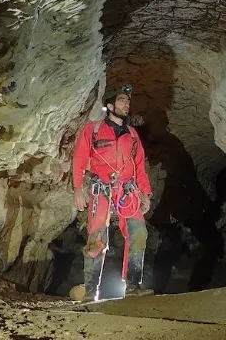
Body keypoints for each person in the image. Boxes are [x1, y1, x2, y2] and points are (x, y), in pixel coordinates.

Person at [70, 84, 154, 302]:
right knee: (97, 238)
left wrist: (146, 193)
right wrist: (78, 188)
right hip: (102, 190)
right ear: (110, 105)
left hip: (128, 190)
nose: (127, 104)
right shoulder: (93, 130)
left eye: (128, 101)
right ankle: (90, 291)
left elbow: (139, 166)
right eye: (121, 100)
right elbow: (79, 158)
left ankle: (134, 286)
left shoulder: (132, 134)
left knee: (139, 233)